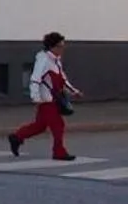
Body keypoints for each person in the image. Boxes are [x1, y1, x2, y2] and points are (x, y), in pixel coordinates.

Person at [10, 31, 82, 160]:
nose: (62, 49)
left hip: (53, 99)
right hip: (46, 100)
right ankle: (59, 152)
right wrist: (36, 97)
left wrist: (74, 91)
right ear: (52, 47)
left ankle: (17, 137)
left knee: (40, 126)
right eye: (60, 46)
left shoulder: (55, 61)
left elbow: (63, 79)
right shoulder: (44, 60)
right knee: (58, 125)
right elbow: (35, 79)